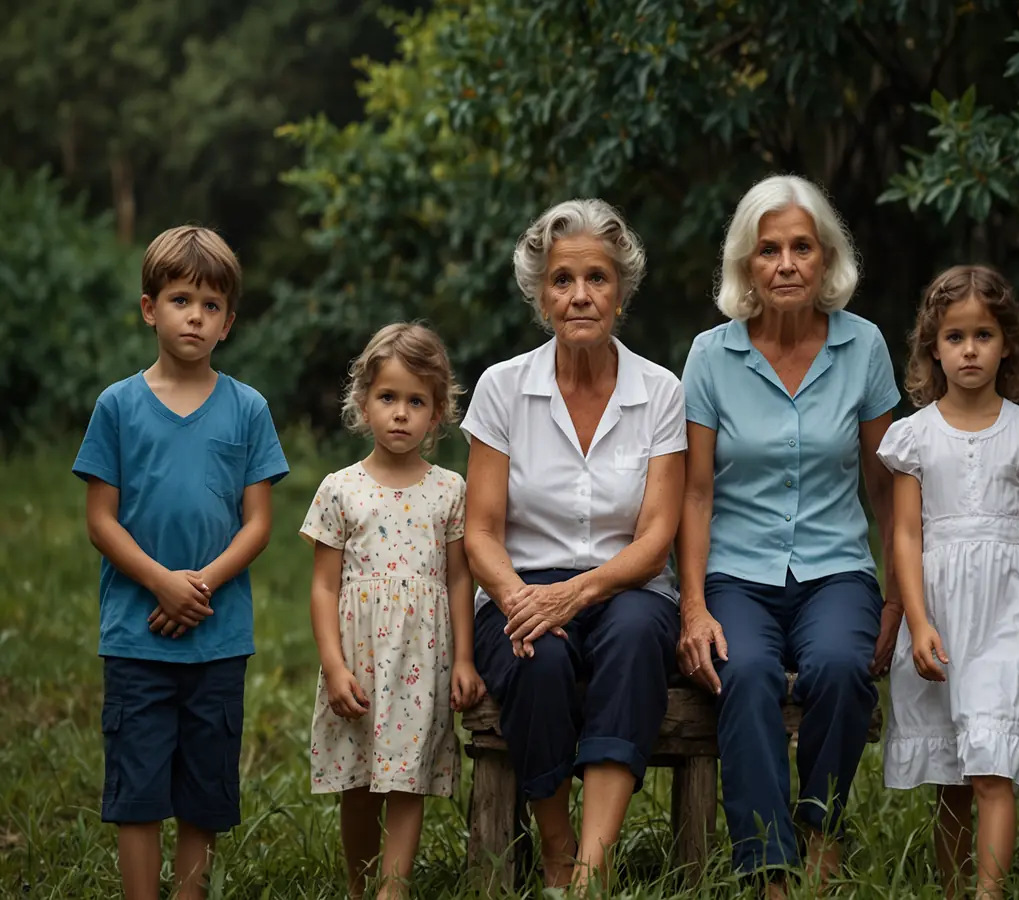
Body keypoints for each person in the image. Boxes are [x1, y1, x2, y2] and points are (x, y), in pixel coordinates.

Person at [674, 174, 903, 893]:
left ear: (826, 257)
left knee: (840, 666)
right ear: (746, 265)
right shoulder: (712, 356)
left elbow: (884, 487)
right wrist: (692, 605)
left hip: (837, 568)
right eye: (768, 250)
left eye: (802, 247)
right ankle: (769, 864)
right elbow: (697, 492)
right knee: (744, 673)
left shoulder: (863, 347)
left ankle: (821, 828)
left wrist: (897, 599)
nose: (786, 264)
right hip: (736, 572)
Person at [461, 198, 686, 893]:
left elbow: (655, 541)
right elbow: (480, 530)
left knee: (634, 636)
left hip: (627, 585)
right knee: (538, 659)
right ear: (540, 293)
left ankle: (594, 866)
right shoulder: (504, 388)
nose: (580, 295)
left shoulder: (661, 392)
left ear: (621, 290)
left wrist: (577, 593)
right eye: (563, 280)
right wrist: (520, 599)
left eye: (597, 278)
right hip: (519, 585)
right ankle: (556, 851)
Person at [72, 226, 290, 900]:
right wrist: (160, 583)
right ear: (149, 309)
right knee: (136, 785)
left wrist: (200, 586)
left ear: (228, 322)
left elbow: (258, 524)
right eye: (180, 299)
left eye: (211, 304)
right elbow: (101, 521)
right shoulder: (117, 406)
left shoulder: (248, 409)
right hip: (136, 637)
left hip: (217, 636)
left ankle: (191, 893)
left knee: (205, 785)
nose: (195, 314)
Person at [877, 265, 1019, 899]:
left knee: (992, 769)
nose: (969, 350)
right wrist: (917, 619)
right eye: (955, 337)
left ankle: (990, 895)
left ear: (1006, 342)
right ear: (934, 346)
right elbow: (907, 534)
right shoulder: (914, 436)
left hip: (1007, 617)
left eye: (983, 335)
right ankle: (953, 890)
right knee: (954, 776)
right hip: (940, 619)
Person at [300, 322, 486, 900]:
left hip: (420, 660)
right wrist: (333, 667)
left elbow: (460, 578)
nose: (401, 413)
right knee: (359, 780)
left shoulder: (450, 490)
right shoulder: (340, 489)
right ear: (363, 403)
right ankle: (359, 884)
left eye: (416, 401)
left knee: (407, 776)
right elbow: (323, 588)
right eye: (388, 398)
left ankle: (394, 887)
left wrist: (464, 660)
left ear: (437, 414)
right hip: (358, 659)